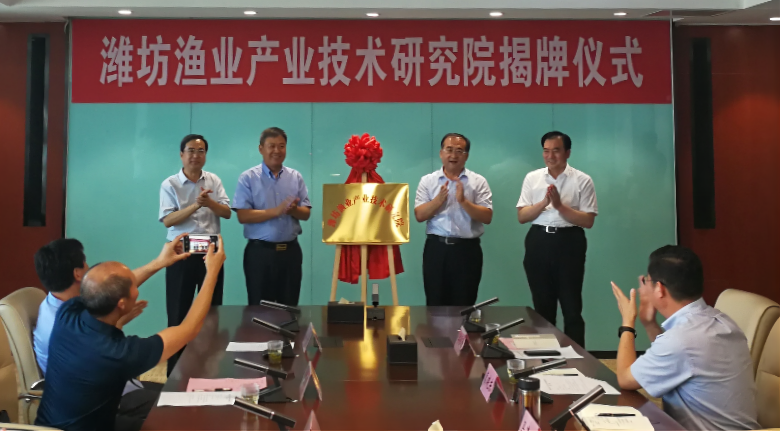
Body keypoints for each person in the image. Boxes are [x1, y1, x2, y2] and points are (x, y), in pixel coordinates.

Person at [35, 235, 225, 431]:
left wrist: (159, 263)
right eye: (133, 287)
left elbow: (109, 289)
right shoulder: (119, 353)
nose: (136, 287)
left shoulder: (67, 313)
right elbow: (189, 328)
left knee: (175, 398)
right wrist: (212, 272)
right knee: (184, 418)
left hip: (55, 425)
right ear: (122, 304)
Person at [610, 245, 760, 431]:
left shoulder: (682, 340)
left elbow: (625, 379)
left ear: (659, 289)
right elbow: (675, 359)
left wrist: (627, 323)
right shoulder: (721, 321)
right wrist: (649, 324)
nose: (643, 287)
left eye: (646, 281)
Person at [32, 238, 156, 417]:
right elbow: (106, 358)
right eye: (85, 264)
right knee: (179, 408)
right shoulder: (66, 323)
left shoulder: (59, 304)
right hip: (102, 402)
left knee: (177, 393)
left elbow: (115, 289)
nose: (89, 267)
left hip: (113, 387)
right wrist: (118, 322)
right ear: (78, 274)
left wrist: (159, 263)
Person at [517, 131, 596, 347]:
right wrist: (544, 203)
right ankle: (545, 357)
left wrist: (560, 206)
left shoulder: (582, 180)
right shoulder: (532, 178)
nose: (550, 156)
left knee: (572, 307)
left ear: (567, 152)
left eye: (556, 151)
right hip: (538, 241)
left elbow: (588, 220)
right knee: (542, 306)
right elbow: (522, 216)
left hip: (569, 242)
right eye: (546, 151)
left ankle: (578, 359)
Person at [159, 134, 230, 374]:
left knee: (212, 313)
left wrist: (210, 203)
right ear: (181, 154)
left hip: (210, 255)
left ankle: (207, 370)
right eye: (191, 150)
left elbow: (227, 213)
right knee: (178, 315)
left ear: (205, 155)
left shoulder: (214, 180)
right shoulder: (170, 184)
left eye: (201, 151)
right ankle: (175, 374)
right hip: (181, 255)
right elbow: (168, 220)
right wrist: (196, 205)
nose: (196, 155)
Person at [232, 127, 311, 306]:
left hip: (290, 253)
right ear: (261, 148)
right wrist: (276, 211)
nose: (277, 150)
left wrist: (293, 210)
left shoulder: (295, 177)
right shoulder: (248, 178)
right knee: (259, 309)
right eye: (272, 146)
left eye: (281, 146)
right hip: (260, 254)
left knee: (289, 308)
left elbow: (306, 213)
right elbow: (243, 216)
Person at [414, 133, 492, 306]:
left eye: (459, 151)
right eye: (449, 149)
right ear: (441, 153)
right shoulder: (428, 181)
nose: (453, 155)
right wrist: (438, 201)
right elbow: (419, 215)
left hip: (467, 250)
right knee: (435, 302)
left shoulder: (478, 182)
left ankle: (463, 326)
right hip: (436, 249)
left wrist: (463, 201)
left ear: (466, 156)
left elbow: (487, 217)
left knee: (464, 303)